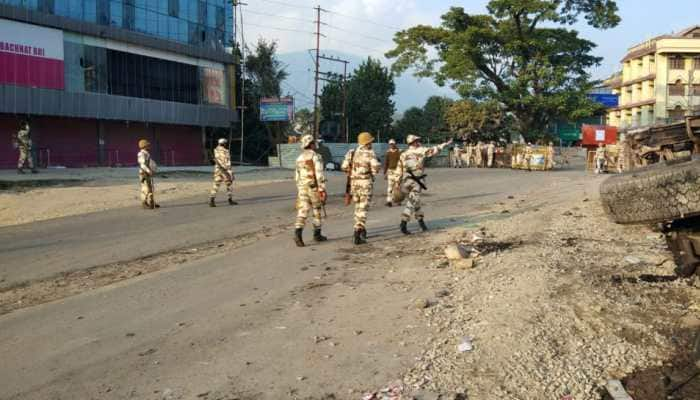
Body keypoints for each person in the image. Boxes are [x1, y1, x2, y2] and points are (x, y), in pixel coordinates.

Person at [395, 134, 452, 235]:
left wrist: (396, 183)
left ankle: (421, 223)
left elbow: (399, 169)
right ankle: (403, 223)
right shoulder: (421, 151)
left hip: (406, 180)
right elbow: (434, 150)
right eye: (417, 141)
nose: (419, 142)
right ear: (414, 142)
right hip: (417, 181)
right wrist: (445, 144)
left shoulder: (403, 154)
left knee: (415, 201)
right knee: (413, 201)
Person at [342, 132, 381, 245]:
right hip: (365, 183)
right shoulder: (370, 153)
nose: (372, 144)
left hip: (354, 183)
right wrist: (373, 172)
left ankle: (361, 229)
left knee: (358, 207)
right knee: (363, 208)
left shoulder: (351, 152)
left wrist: (353, 173)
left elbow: (344, 167)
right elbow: (376, 167)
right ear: (367, 142)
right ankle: (358, 231)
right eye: (371, 142)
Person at [294, 134, 327, 247]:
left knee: (302, 210)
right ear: (311, 144)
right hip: (313, 187)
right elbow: (319, 174)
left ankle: (298, 233)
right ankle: (317, 234)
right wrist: (322, 189)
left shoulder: (299, 158)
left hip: (302, 187)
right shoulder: (316, 156)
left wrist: (300, 189)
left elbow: (297, 177)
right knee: (316, 209)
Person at [209, 138, 237, 207]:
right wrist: (230, 172)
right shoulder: (226, 151)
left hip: (218, 170)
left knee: (216, 185)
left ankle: (212, 200)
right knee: (229, 185)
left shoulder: (215, 150)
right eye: (225, 143)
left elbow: (216, 160)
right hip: (225, 170)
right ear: (224, 144)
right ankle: (230, 200)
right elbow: (227, 162)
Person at [137, 139, 159, 209]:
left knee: (150, 187)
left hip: (147, 172)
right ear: (144, 146)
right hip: (144, 173)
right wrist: (149, 171)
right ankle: (144, 202)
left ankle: (152, 201)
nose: (149, 146)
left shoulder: (146, 153)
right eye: (147, 145)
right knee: (145, 188)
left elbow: (150, 163)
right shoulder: (141, 154)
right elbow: (142, 165)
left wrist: (153, 168)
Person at [383, 138, 402, 207]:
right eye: (390, 144)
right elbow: (386, 163)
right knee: (390, 187)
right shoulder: (388, 152)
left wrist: (403, 171)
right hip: (390, 171)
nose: (391, 145)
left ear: (395, 144)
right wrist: (385, 172)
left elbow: (402, 162)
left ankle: (398, 200)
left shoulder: (399, 152)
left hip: (398, 171)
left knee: (397, 186)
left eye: (393, 144)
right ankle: (389, 201)